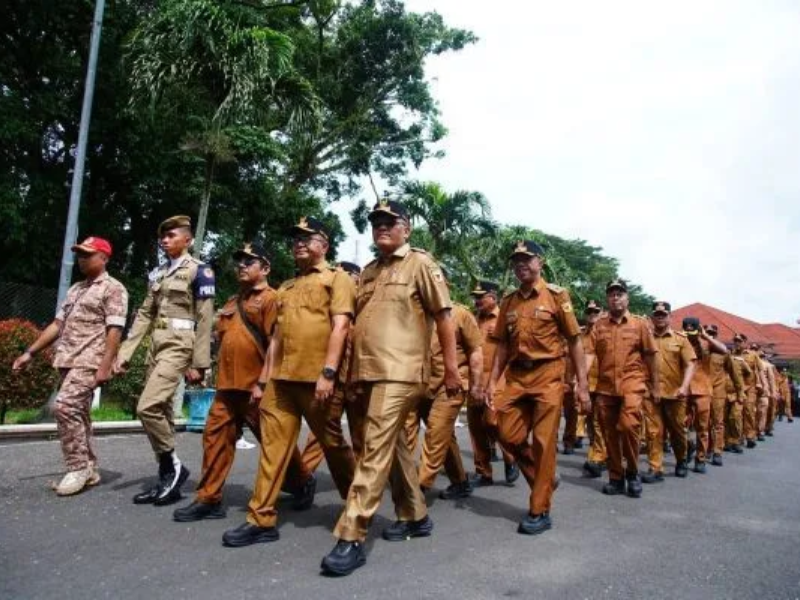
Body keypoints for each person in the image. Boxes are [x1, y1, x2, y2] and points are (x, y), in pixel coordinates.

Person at [320, 199, 459, 576]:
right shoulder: (367, 272)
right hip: (367, 373)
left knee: (373, 451)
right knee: (392, 445)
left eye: (389, 221)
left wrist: (450, 370)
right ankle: (415, 514)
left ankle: (351, 535)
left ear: (406, 228)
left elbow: (445, 317)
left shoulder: (420, 264)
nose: (381, 227)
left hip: (400, 372)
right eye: (376, 222)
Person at [221, 218, 357, 547]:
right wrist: (263, 381)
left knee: (333, 445)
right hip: (281, 383)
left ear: (324, 245)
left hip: (317, 381)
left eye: (307, 238)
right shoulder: (286, 288)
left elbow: (340, 327)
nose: (299, 243)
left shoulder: (337, 279)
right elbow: (277, 340)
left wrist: (328, 372)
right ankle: (261, 518)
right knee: (273, 449)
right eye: (295, 238)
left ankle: (357, 505)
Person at [173, 243, 314, 522]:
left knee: (273, 443)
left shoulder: (272, 299)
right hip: (227, 388)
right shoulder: (230, 303)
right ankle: (208, 498)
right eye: (240, 261)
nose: (242, 265)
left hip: (259, 388)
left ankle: (301, 482)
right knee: (214, 440)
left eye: (250, 261)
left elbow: (278, 343)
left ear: (265, 268)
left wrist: (263, 382)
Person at [484, 240, 590, 535]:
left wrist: (582, 385)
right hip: (517, 377)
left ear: (540, 262)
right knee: (502, 429)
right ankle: (544, 478)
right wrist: (492, 382)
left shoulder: (557, 296)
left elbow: (574, 340)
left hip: (548, 375)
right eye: (516, 260)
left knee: (544, 443)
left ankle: (539, 509)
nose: (520, 264)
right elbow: (502, 345)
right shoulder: (508, 301)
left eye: (526, 259)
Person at [13, 237, 128, 496]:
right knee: (80, 414)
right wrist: (29, 352)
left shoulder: (113, 288)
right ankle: (90, 467)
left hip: (90, 360)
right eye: (79, 254)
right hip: (67, 359)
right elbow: (57, 325)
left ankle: (77, 467)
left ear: (104, 258)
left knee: (63, 407)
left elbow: (114, 329)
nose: (82, 259)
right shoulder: (76, 288)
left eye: (88, 254)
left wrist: (105, 365)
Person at [114, 215, 215, 506]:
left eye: (172, 235)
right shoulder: (157, 273)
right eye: (163, 235)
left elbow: (205, 318)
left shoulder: (200, 271)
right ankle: (166, 478)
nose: (165, 239)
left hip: (179, 347)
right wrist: (125, 353)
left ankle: (174, 466)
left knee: (147, 407)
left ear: (188, 240)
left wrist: (200, 364)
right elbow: (145, 313)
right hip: (155, 348)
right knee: (162, 414)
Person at [406, 276, 483, 500]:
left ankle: (418, 488)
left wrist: (477, 385)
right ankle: (460, 481)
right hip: (420, 385)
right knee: (441, 437)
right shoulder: (414, 315)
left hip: (451, 387)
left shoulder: (461, 314)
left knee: (435, 435)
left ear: (446, 286)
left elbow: (476, 352)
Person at [585, 279, 659, 498]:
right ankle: (616, 477)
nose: (615, 297)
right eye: (611, 294)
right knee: (609, 434)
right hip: (606, 387)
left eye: (619, 293)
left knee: (628, 427)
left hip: (632, 384)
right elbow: (589, 353)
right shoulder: (599, 325)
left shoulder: (639, 324)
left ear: (628, 298)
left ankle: (633, 472)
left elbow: (651, 355)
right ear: (607, 298)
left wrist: (655, 386)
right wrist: (580, 381)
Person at [299, 261, 368, 473]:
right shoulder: (331, 308)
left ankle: (361, 484)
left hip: (359, 382)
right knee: (322, 432)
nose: (344, 279)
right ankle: (303, 477)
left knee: (361, 435)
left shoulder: (367, 305)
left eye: (348, 274)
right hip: (334, 380)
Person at [465, 280, 519, 487]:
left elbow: (513, 351)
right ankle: (483, 472)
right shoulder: (472, 319)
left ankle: (510, 457)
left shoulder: (506, 318)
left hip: (498, 379)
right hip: (474, 380)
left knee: (493, 422)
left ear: (493, 298)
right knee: (475, 427)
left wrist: (500, 381)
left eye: (481, 297)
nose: (477, 301)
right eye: (475, 297)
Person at [640, 301, 696, 483]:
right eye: (657, 315)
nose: (660, 317)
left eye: (663, 314)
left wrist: (684, 386)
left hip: (675, 393)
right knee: (653, 432)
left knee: (678, 431)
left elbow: (690, 364)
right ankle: (655, 468)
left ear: (670, 317)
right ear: (651, 318)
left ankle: (681, 460)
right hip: (651, 392)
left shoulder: (681, 339)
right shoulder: (645, 337)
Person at [681, 317, 728, 473]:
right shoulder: (679, 341)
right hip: (684, 389)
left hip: (702, 389)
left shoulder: (706, 343)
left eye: (692, 328)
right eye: (686, 328)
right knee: (680, 425)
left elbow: (724, 350)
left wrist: (705, 336)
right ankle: (686, 451)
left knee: (702, 427)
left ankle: (700, 459)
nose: (689, 331)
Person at [705, 324, 741, 466]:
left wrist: (740, 391)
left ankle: (717, 451)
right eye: (708, 332)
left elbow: (734, 373)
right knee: (703, 423)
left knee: (717, 422)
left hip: (718, 391)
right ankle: (706, 448)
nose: (710, 335)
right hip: (702, 390)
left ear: (716, 334)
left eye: (712, 333)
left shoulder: (724, 353)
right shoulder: (699, 350)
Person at [581, 300, 607, 478]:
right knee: (589, 421)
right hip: (586, 384)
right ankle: (597, 453)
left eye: (595, 311)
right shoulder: (580, 334)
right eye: (589, 311)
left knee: (599, 422)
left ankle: (599, 457)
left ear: (602, 312)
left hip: (604, 384)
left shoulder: (606, 331)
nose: (592, 314)